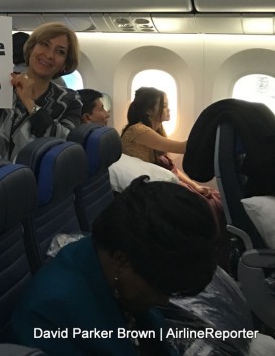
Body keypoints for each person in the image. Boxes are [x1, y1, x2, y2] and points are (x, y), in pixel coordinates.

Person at [12, 176, 219, 355]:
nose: (163, 300)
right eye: (160, 288)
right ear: (122, 261)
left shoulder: (110, 265)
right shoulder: (48, 315)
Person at [120, 87, 224, 223]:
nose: (169, 109)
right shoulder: (139, 130)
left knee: (213, 197)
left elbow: (169, 167)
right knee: (207, 206)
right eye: (164, 106)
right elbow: (183, 148)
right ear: (149, 110)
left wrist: (196, 186)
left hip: (157, 180)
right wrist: (209, 131)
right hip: (145, 188)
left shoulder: (155, 130)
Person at [0, 22, 82, 161]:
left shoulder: (70, 99)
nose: (50, 55)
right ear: (31, 48)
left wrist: (29, 103)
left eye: (60, 51)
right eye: (45, 44)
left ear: (65, 64)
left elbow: (66, 144)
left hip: (38, 179)